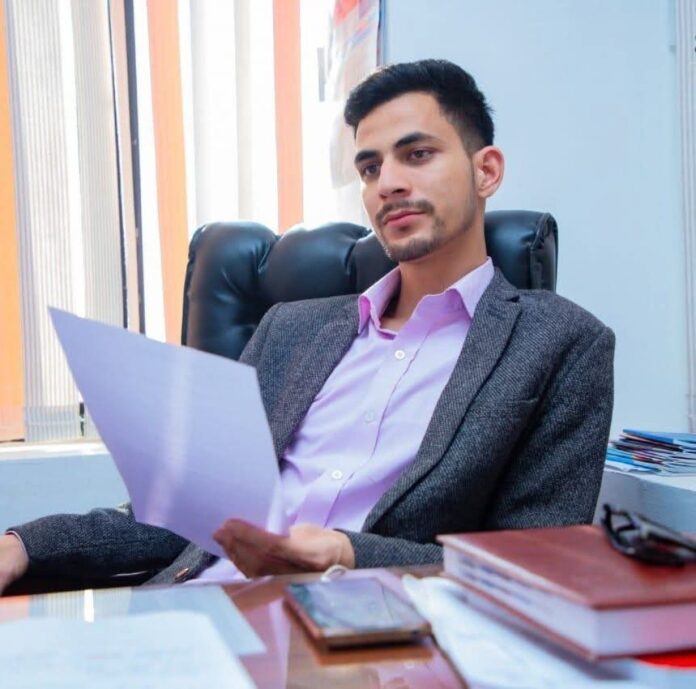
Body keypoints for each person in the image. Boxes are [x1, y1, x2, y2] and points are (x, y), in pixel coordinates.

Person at [0, 59, 614, 593]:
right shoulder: (289, 331)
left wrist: (350, 554)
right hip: (195, 611)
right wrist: (24, 544)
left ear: (487, 171)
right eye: (370, 168)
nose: (388, 184)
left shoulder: (560, 345)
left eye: (418, 154)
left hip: (371, 642)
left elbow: (532, 568)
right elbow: (184, 519)